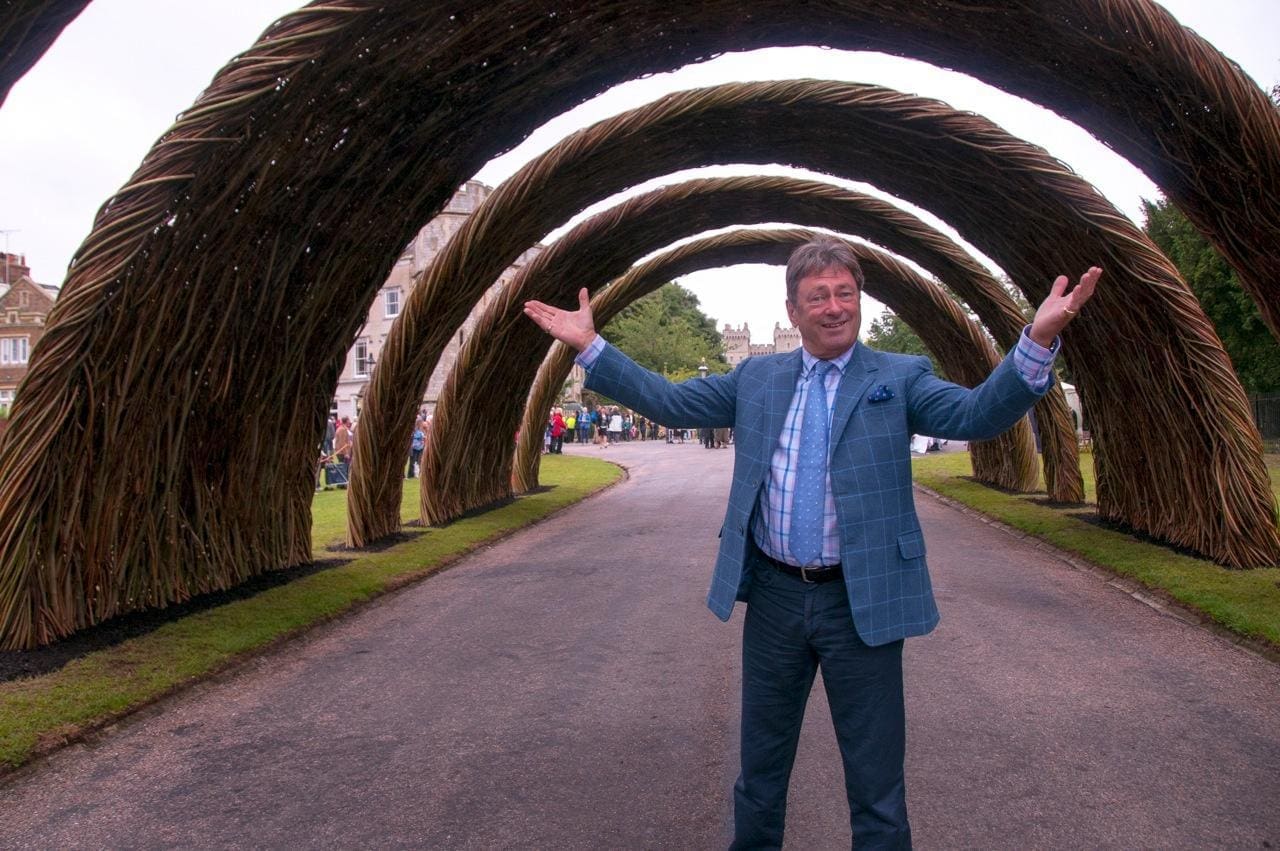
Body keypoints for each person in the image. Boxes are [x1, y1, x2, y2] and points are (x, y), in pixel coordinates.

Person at [525, 236, 1100, 849]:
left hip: (861, 602)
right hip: (774, 597)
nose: (834, 307)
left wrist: (1035, 343)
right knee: (760, 776)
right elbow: (669, 403)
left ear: (860, 301)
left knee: (877, 788)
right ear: (793, 313)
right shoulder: (757, 377)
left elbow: (976, 415)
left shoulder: (900, 377)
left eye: (845, 294)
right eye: (818, 297)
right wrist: (591, 346)